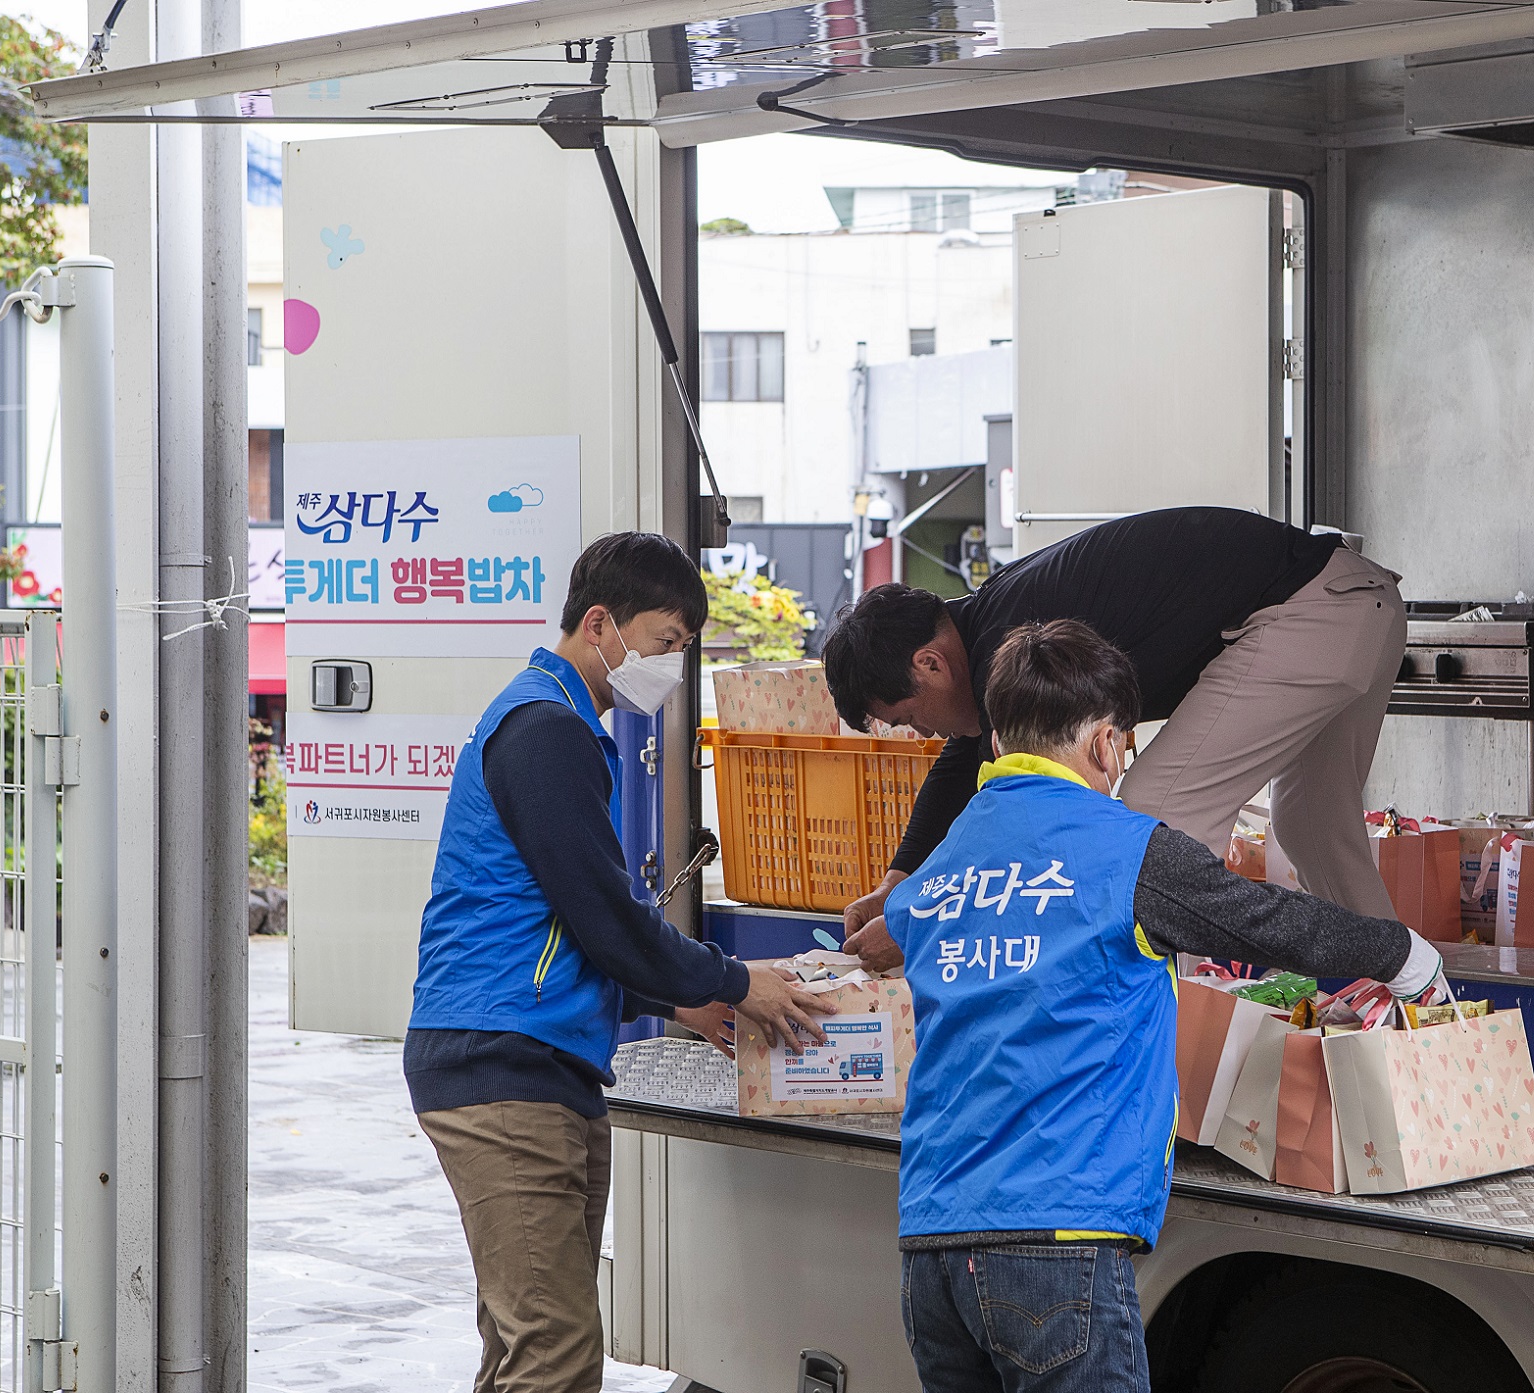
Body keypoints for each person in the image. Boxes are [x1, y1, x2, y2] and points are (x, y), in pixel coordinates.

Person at [888, 620, 1440, 1393]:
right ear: (1108, 744)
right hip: (1057, 1238)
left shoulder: (941, 866)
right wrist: (1399, 953)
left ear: (997, 739)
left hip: (931, 1247)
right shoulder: (1127, 851)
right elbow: (1266, 920)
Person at [403, 531, 833, 1393]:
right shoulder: (544, 730)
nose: (669, 668)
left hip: (533, 1061)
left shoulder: (553, 722)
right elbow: (604, 917)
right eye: (665, 643)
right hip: (502, 1062)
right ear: (600, 623)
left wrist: (681, 1002)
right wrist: (734, 980)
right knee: (556, 1353)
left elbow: (563, 922)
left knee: (528, 1349)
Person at [824, 507, 1406, 968]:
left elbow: (1011, 818)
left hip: (1309, 613)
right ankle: (1403, 997)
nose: (920, 732)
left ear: (929, 665)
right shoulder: (988, 623)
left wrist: (917, 924)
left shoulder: (1005, 640)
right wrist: (898, 887)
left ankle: (1178, 1029)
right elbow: (961, 771)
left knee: (1157, 811)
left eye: (905, 717)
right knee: (1312, 825)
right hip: (1357, 603)